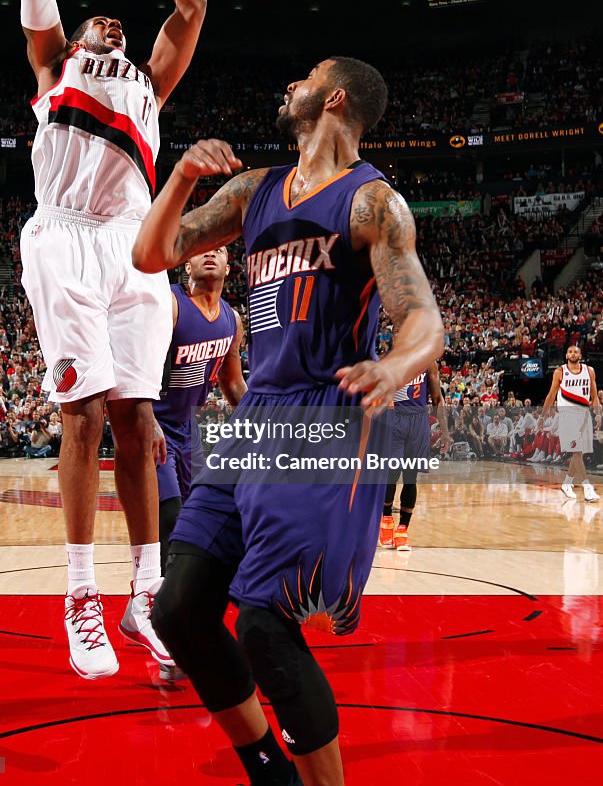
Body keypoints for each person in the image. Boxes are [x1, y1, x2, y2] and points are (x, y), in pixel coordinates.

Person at [133, 57, 444, 786]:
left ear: (333, 97)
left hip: (326, 420)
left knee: (266, 624)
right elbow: (151, 253)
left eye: (302, 77)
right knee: (178, 611)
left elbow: (424, 320)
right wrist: (180, 176)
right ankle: (267, 767)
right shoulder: (254, 190)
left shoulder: (373, 204)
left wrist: (393, 367)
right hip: (256, 423)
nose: (286, 86)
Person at [14, 0, 207, 680]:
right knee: (83, 415)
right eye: (100, 20)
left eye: (117, 23)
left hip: (132, 250)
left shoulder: (150, 85)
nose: (112, 25)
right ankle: (80, 598)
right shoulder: (55, 66)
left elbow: (191, 5)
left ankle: (146, 596)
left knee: (137, 422)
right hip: (62, 238)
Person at [152, 248, 247, 573]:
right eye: (201, 251)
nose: (210, 254)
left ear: (228, 266)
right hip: (154, 422)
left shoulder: (232, 320)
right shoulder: (170, 304)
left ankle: (185, 594)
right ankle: (157, 599)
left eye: (219, 251)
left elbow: (233, 386)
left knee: (200, 517)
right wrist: (146, 421)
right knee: (169, 516)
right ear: (187, 265)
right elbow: (135, 366)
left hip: (188, 430)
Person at [379, 360, 447, 553]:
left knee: (411, 477)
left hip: (418, 420)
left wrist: (445, 430)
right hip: (395, 417)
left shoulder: (429, 363)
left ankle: (402, 531)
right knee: (392, 472)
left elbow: (437, 398)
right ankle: (386, 518)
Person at [543, 345, 599, 501]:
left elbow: (594, 396)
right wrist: (542, 417)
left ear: (580, 355)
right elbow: (551, 395)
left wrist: (598, 414)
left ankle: (567, 483)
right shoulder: (560, 372)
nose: (573, 354)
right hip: (567, 415)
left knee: (579, 453)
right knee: (576, 451)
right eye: (570, 351)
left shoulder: (590, 371)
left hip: (584, 415)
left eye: (576, 351)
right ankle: (587, 487)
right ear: (566, 355)